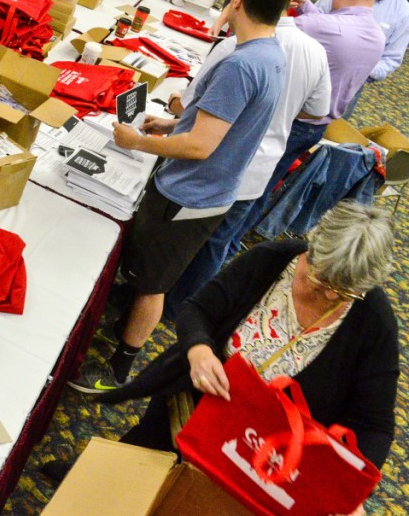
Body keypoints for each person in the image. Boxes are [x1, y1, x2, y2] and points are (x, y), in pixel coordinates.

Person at [92, 201, 398, 516]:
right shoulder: (273, 261)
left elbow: (373, 425)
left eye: (344, 292)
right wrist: (199, 351)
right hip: (191, 416)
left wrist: (346, 488)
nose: (331, 296)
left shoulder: (373, 321)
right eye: (321, 281)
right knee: (119, 489)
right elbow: (197, 310)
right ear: (312, 246)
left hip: (261, 465)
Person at [69, 0, 291, 392]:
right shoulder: (271, 54)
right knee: (148, 277)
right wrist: (174, 124)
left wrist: (136, 142)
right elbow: (225, 126)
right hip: (210, 190)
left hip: (190, 192)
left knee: (153, 285)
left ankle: (118, 368)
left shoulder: (240, 66)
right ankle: (121, 333)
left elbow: (200, 147)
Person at [164, 0, 330, 318]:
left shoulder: (236, 48)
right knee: (217, 245)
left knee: (178, 244)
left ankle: (156, 303)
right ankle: (184, 312)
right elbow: (319, 112)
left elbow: (191, 103)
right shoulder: (315, 51)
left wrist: (169, 110)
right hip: (259, 171)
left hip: (212, 168)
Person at [237, 0, 386, 235]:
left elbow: (271, 28)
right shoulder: (378, 36)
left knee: (245, 187)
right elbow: (338, 29)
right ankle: (234, 239)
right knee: (265, 186)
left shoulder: (318, 26)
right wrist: (308, 7)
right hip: (317, 127)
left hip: (288, 120)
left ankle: (224, 240)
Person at [313, 0, 409, 120]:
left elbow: (391, 59)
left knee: (327, 135)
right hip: (314, 69)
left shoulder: (402, 13)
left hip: (348, 87)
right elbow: (315, 15)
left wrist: (360, 67)